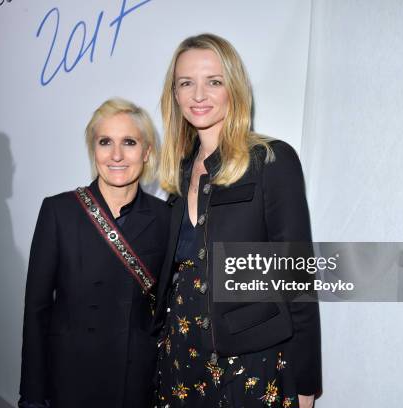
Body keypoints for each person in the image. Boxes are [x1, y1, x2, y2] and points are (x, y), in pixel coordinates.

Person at [154, 34, 322, 408]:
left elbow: (298, 277)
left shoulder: (271, 161)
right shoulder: (178, 174)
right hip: (180, 357)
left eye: (213, 81)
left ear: (234, 88)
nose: (199, 94)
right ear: (175, 95)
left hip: (250, 365)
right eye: (186, 83)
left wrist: (306, 383)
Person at [19, 98, 169, 407]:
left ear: (147, 152)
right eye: (105, 142)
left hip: (135, 377)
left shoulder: (166, 217)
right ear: (94, 150)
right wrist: (33, 394)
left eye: (129, 142)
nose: (116, 155)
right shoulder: (59, 211)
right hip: (71, 374)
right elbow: (36, 311)